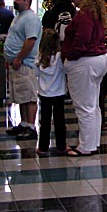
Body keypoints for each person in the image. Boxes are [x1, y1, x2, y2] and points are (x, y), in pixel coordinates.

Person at [61, 0, 107, 156]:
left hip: (85, 62)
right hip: (98, 60)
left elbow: (81, 41)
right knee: (92, 105)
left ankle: (86, 146)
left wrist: (69, 57)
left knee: (84, 107)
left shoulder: (84, 15)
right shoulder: (94, 13)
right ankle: (92, 142)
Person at [3, 0, 42, 140]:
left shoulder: (31, 19)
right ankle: (24, 123)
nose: (15, 1)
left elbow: (30, 40)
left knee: (29, 95)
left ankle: (31, 126)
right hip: (15, 63)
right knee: (21, 95)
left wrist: (19, 58)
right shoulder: (19, 17)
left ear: (27, 1)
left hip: (25, 64)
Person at [36, 29, 67, 157]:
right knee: (60, 121)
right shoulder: (60, 58)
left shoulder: (39, 58)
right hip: (59, 93)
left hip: (44, 94)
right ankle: (61, 146)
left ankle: (43, 147)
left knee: (45, 121)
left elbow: (36, 74)